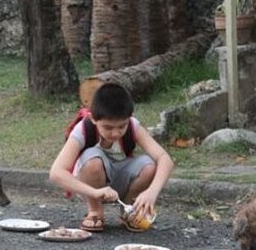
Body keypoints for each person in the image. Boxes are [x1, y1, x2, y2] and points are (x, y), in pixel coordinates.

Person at [49, 83, 174, 232]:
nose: (115, 133)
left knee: (150, 166)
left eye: (122, 126)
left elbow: (164, 159)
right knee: (93, 160)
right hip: (90, 184)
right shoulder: (83, 129)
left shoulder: (133, 126)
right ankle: (95, 211)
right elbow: (56, 173)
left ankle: (129, 209)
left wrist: (151, 192)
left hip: (120, 177)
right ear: (93, 119)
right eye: (108, 127)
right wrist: (94, 192)